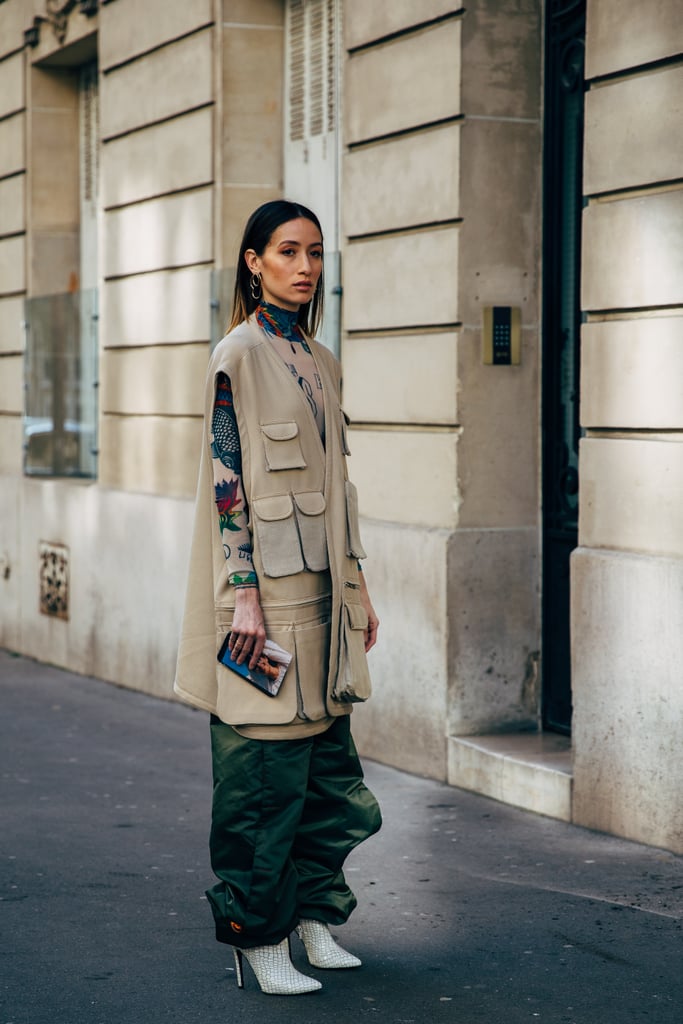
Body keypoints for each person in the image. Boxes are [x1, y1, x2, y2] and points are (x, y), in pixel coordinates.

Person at [174, 200, 382, 996]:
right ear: (253, 261)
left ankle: (310, 919)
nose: (305, 267)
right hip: (262, 606)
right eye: (288, 252)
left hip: (325, 606)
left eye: (316, 253)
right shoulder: (238, 355)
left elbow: (338, 492)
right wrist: (242, 601)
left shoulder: (319, 360)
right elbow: (228, 484)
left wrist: (361, 592)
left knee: (328, 779)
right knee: (261, 782)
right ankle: (256, 939)